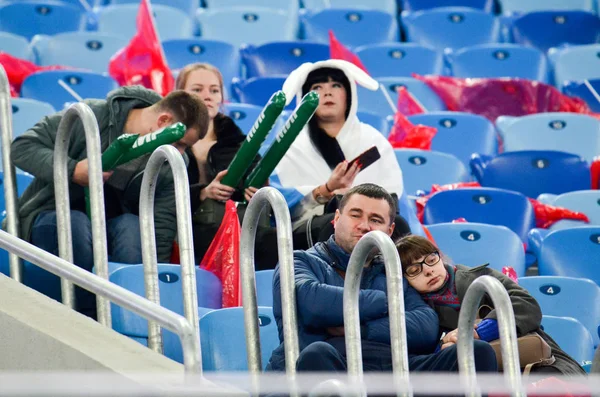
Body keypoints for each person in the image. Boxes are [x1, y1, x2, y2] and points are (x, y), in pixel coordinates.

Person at [11, 85, 209, 318]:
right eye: (180, 143)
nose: (181, 152)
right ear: (164, 121)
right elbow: (22, 147)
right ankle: (85, 319)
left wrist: (157, 290)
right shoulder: (92, 115)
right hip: (51, 216)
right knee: (75, 225)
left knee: (134, 230)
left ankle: (126, 320)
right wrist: (73, 170)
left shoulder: (171, 161)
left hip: (113, 230)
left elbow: (160, 226)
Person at [267, 183, 498, 378]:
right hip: (335, 367)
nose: (365, 226)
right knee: (316, 353)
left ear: (389, 230)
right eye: (355, 215)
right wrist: (385, 302)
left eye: (375, 219)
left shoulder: (394, 270)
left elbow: (425, 325)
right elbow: (314, 305)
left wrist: (363, 328)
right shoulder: (298, 261)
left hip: (397, 368)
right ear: (336, 218)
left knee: (475, 352)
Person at [271, 60, 417, 250]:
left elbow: (392, 196)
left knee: (399, 226)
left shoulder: (373, 139)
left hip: (372, 222)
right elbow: (280, 204)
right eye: (317, 87)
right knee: (335, 223)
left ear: (349, 95)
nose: (327, 92)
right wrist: (326, 191)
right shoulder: (289, 143)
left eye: (336, 85)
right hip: (311, 225)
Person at [395, 234, 586, 375]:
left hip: (536, 360)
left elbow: (526, 305)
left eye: (430, 260)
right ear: (403, 280)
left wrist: (478, 331)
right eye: (414, 270)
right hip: (476, 374)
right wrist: (444, 347)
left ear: (440, 257)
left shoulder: (480, 277)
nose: (428, 271)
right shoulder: (413, 311)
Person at [175, 63, 277, 269]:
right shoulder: (167, 142)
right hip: (185, 228)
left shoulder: (238, 142)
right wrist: (203, 193)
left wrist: (257, 191)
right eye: (197, 89)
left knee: (277, 240)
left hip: (234, 226)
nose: (207, 96)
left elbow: (258, 189)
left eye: (214, 90)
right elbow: (158, 193)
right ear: (180, 96)